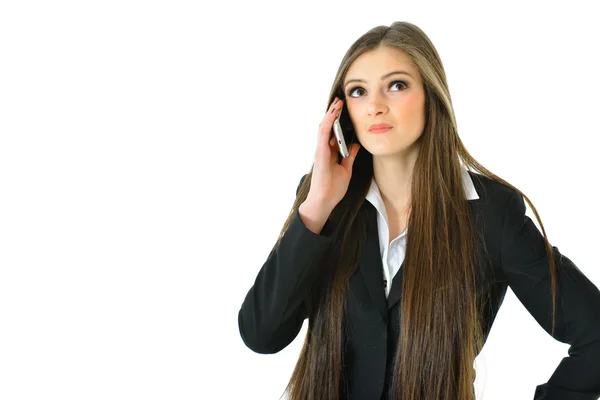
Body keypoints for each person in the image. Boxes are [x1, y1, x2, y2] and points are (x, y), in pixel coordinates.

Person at [237, 22, 600, 400]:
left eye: (396, 85)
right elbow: (261, 334)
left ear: (431, 95)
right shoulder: (324, 202)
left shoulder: (491, 214)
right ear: (343, 113)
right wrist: (316, 208)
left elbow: (595, 335)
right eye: (358, 92)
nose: (376, 105)